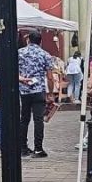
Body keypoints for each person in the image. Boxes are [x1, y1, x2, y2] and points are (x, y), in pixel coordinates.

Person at [18, 29, 55, 158]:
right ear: (40, 41)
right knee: (38, 120)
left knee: (24, 119)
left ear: (28, 40)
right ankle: (38, 148)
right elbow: (50, 77)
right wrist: (50, 93)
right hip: (39, 90)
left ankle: (22, 147)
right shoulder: (45, 54)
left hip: (24, 90)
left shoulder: (19, 53)